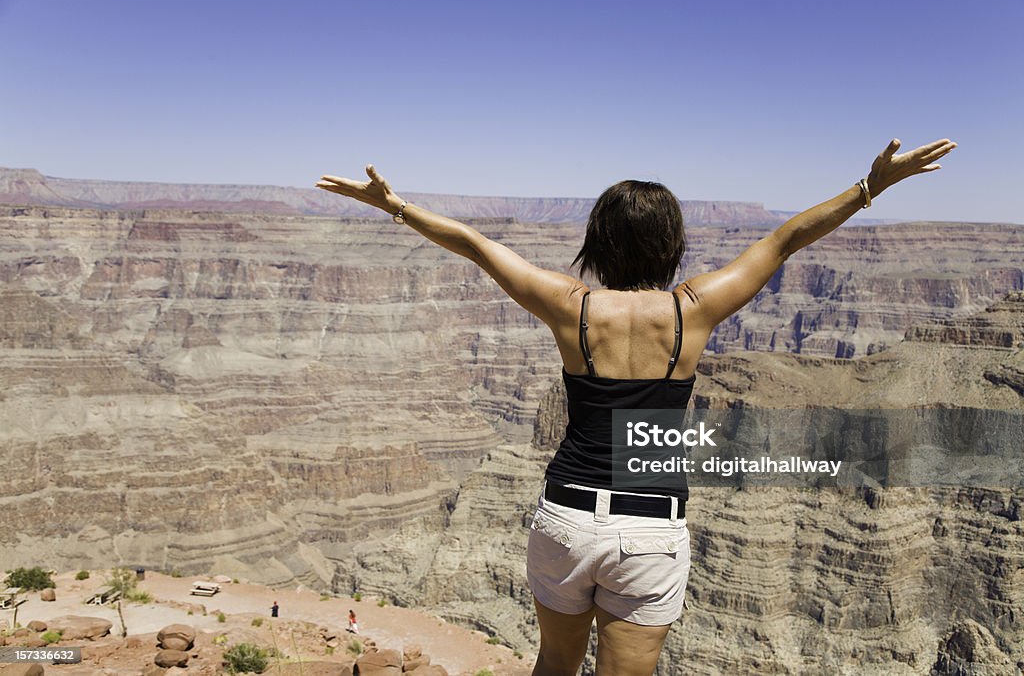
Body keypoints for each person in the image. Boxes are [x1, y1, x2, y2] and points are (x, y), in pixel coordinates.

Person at [316, 138, 955, 676]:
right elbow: (786, 240)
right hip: (648, 528)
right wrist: (869, 186)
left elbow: (478, 246)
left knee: (553, 668)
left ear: (597, 240)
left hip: (565, 515)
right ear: (671, 243)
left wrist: (396, 206)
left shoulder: (571, 306)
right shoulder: (691, 310)